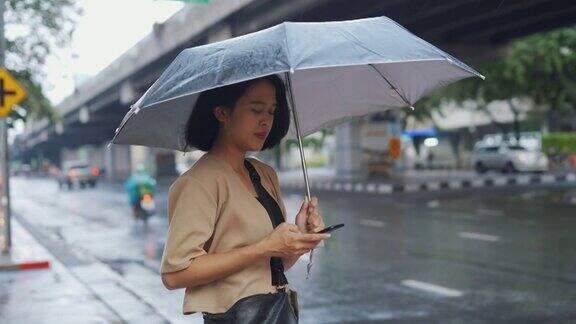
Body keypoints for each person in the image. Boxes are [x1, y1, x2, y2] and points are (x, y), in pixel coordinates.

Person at [159, 74, 329, 321]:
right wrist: (264, 247)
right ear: (222, 113)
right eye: (256, 109)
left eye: (271, 112)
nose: (265, 121)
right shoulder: (199, 182)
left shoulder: (264, 174)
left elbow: (272, 267)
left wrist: (300, 237)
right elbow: (175, 274)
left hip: (278, 311)